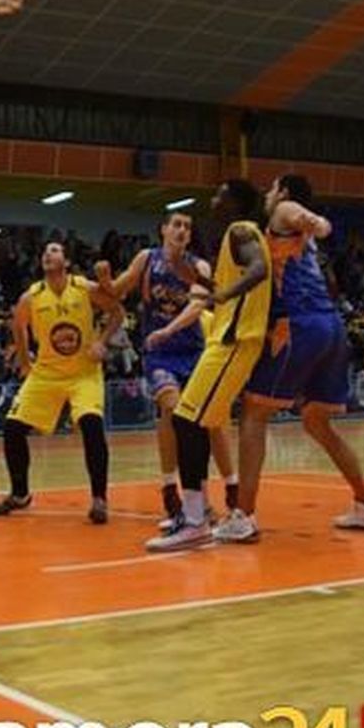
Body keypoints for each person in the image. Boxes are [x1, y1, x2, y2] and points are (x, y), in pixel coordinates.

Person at [220, 176, 364, 543]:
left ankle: (243, 516)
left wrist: (315, 222)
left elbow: (306, 219)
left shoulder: (283, 212)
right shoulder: (294, 243)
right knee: (316, 421)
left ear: (285, 193)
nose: (268, 194)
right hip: (330, 327)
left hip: (297, 325)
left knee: (254, 412)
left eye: (273, 187)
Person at [146, 181, 271, 552]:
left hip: (232, 341)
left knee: (186, 420)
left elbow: (259, 269)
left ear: (235, 202)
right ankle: (197, 514)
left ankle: (196, 520)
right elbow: (232, 279)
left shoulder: (242, 230)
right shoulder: (237, 237)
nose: (213, 200)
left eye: (220, 195)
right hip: (226, 341)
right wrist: (200, 280)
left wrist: (223, 294)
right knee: (191, 420)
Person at [95, 210, 239, 528]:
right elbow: (116, 292)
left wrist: (170, 329)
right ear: (163, 229)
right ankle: (173, 491)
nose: (182, 230)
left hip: (193, 351)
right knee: (174, 412)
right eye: (177, 224)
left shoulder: (199, 267)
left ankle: (224, 491)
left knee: (207, 423)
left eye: (188, 226)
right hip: (160, 354)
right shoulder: (146, 259)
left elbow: (198, 304)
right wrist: (104, 276)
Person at [0, 242, 124, 524]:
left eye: (55, 250)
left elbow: (117, 312)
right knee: (12, 428)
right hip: (46, 373)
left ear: (67, 261)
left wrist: (101, 340)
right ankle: (20, 494)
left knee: (91, 425)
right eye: (45, 251)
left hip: (83, 372)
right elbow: (17, 326)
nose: (48, 254)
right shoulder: (32, 296)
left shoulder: (83, 287)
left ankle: (99, 498)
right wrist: (25, 361)